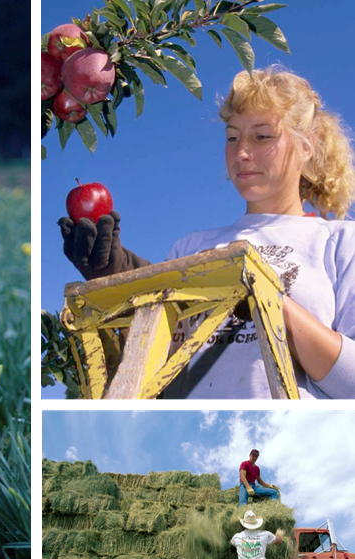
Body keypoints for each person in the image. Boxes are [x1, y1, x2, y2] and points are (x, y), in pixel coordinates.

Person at [59, 65, 355, 400]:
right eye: (232, 137)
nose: (242, 152)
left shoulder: (341, 242)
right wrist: (117, 282)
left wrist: (270, 302)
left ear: (306, 147)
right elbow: (148, 371)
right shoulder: (192, 246)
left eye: (262, 136)